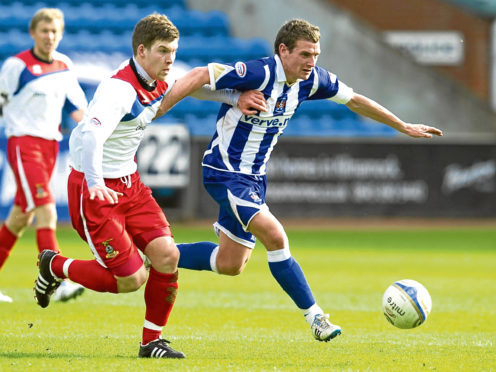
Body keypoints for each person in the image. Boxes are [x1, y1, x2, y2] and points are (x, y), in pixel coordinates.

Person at [155, 18, 443, 342]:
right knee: (276, 236)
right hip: (225, 173)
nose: (311, 62)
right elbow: (199, 76)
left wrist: (402, 125)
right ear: (283, 50)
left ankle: (153, 255)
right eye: (305, 54)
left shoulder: (311, 81)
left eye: (315, 55)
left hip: (253, 179)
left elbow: (355, 100)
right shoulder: (260, 72)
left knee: (229, 263)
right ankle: (316, 317)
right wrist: (161, 108)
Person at [33, 13, 266, 359]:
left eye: (173, 50)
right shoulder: (119, 89)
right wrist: (96, 181)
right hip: (94, 188)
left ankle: (150, 342)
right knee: (130, 279)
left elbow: (190, 88)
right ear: (141, 51)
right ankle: (54, 266)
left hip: (131, 184)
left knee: (167, 256)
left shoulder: (156, 76)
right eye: (162, 51)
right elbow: (93, 134)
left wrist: (233, 100)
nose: (170, 58)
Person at [0, 8, 87, 303]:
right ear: (33, 33)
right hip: (24, 144)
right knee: (46, 210)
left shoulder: (65, 65)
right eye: (44, 31)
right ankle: (56, 280)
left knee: (19, 218)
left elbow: (78, 109)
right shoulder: (16, 66)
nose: (49, 37)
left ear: (60, 34)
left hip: (50, 146)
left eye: (54, 32)